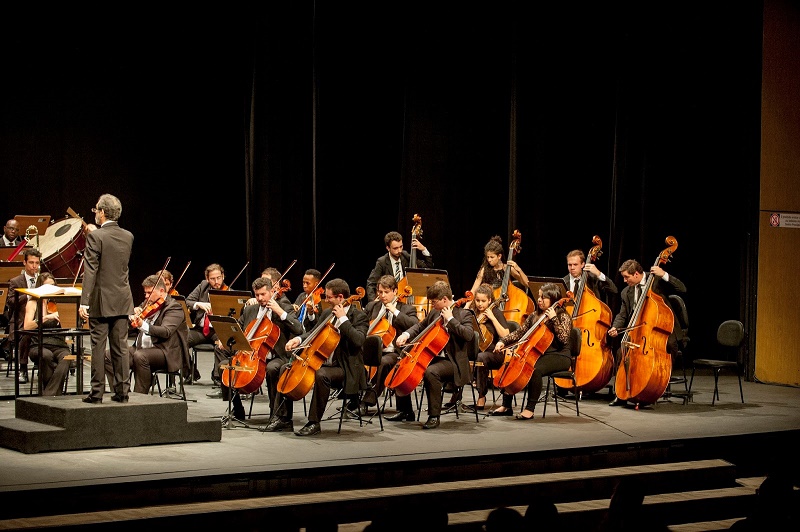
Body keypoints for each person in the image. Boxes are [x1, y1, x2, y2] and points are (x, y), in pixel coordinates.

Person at [268, 278, 368, 436]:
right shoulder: (328, 313)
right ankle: (284, 419)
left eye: (329, 297)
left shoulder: (359, 316)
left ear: (340, 297)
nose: (326, 300)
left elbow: (358, 340)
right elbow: (313, 332)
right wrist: (299, 339)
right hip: (322, 362)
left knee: (321, 375)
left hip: (345, 367)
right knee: (285, 368)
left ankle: (314, 422)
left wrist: (343, 319)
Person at [216, 275, 303, 422]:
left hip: (277, 356)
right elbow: (240, 330)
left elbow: (299, 329)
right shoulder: (251, 310)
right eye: (257, 295)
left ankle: (276, 413)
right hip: (252, 355)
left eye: (263, 294)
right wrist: (226, 340)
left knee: (272, 369)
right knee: (223, 367)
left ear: (271, 292)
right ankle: (237, 409)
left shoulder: (283, 307)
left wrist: (280, 312)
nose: (261, 298)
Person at [391, 281, 474, 429]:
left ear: (444, 300)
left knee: (431, 372)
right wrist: (406, 334)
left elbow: (468, 335)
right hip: (434, 357)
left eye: (434, 302)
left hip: (453, 362)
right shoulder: (435, 312)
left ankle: (434, 416)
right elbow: (420, 326)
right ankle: (405, 410)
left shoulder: (464, 314)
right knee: (403, 365)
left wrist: (450, 319)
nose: (432, 305)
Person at [606, 259, 687, 407]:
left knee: (667, 347)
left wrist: (664, 274)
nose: (624, 281)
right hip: (640, 331)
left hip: (664, 330)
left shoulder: (656, 281)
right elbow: (623, 315)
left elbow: (682, 288)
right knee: (621, 352)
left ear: (636, 274)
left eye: (626, 277)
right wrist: (615, 327)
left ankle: (651, 388)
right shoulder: (626, 292)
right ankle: (621, 394)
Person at [79, 193, 135, 404]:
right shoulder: (128, 236)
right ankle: (122, 392)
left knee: (97, 346)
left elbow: (91, 270)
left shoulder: (96, 236)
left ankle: (96, 392)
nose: (95, 213)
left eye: (96, 210)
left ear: (102, 212)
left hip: (101, 301)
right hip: (122, 299)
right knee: (120, 347)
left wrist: (84, 301)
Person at [489, 282, 573, 420]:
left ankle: (530, 409)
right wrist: (502, 341)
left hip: (560, 355)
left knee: (535, 370)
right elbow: (519, 333)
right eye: (539, 296)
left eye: (543, 297)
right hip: (540, 353)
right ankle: (506, 406)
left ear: (553, 299)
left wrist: (554, 319)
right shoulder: (535, 315)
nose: (539, 299)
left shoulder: (562, 316)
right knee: (512, 363)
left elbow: (564, 339)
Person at [107, 274, 189, 397]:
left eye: (149, 293)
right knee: (109, 355)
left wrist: (142, 325)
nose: (146, 297)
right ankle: (121, 392)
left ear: (161, 291)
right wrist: (131, 316)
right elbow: (131, 326)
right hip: (141, 348)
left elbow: (166, 331)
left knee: (140, 356)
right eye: (145, 293)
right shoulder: (147, 304)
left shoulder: (174, 308)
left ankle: (140, 397)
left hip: (164, 352)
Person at [361, 274, 419, 413]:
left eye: (386, 292)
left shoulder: (406, 309)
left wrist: (395, 312)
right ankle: (352, 400)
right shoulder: (372, 306)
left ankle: (367, 401)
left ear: (394, 291)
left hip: (395, 352)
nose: (382, 296)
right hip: (372, 351)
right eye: (380, 292)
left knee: (382, 363)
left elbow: (415, 325)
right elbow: (361, 324)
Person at [22, 273, 71, 395]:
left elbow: (69, 325)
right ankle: (53, 394)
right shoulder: (33, 302)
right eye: (47, 287)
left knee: (67, 358)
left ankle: (48, 395)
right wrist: (44, 318)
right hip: (38, 344)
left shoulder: (59, 303)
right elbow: (27, 326)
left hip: (59, 344)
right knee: (46, 355)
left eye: (53, 287)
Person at [4, 247, 43, 383]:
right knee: (26, 333)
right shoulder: (16, 281)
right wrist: (27, 295)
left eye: (37, 263)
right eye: (31, 262)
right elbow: (10, 302)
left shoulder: (43, 279)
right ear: (24, 263)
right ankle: (23, 369)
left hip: (40, 318)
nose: (34, 266)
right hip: (21, 319)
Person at [470, 283, 511, 411]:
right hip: (478, 350)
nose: (480, 304)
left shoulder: (496, 312)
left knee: (480, 358)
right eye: (477, 300)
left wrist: (493, 318)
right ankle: (455, 396)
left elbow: (506, 334)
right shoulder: (474, 312)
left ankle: (481, 397)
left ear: (490, 300)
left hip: (496, 353)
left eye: (483, 301)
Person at [185, 263, 226, 388]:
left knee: (222, 345)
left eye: (218, 278)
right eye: (213, 279)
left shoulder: (229, 292)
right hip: (201, 329)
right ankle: (190, 372)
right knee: (179, 341)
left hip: (218, 330)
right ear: (207, 279)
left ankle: (217, 376)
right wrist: (199, 304)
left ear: (223, 276)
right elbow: (188, 300)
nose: (216, 281)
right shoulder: (202, 286)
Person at [365, 230, 433, 302]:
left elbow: (428, 268)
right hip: (389, 300)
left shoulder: (405, 256)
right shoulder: (382, 262)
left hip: (406, 298)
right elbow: (371, 283)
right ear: (388, 248)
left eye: (401, 246)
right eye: (395, 248)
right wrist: (373, 303)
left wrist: (424, 249)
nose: (399, 250)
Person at [465, 235, 530, 309]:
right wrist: (466, 307)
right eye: (488, 257)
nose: (489, 260)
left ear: (499, 256)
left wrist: (518, 269)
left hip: (505, 305)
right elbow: (473, 290)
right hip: (487, 305)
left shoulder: (507, 268)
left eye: (492, 257)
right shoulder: (484, 270)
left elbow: (526, 283)